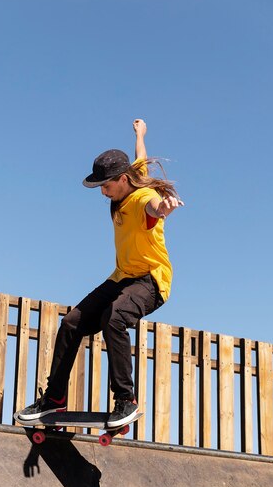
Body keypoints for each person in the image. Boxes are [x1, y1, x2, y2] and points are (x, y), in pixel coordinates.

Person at [19, 119, 183, 428]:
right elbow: (141, 157)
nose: (103, 192)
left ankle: (125, 400)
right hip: (121, 277)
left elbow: (153, 206)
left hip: (151, 280)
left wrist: (163, 209)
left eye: (106, 186)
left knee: (114, 317)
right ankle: (54, 399)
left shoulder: (140, 200)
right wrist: (140, 134)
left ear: (122, 180)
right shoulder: (134, 177)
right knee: (70, 324)